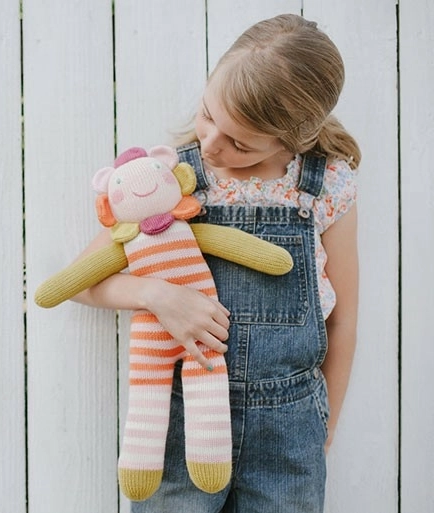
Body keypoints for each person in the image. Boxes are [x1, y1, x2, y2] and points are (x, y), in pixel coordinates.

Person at [70, 13, 360, 512]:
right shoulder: (172, 180)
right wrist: (157, 295)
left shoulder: (324, 187)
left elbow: (344, 320)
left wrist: (324, 429)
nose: (210, 144)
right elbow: (81, 282)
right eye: (208, 115)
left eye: (240, 142)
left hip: (289, 430)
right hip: (183, 416)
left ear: (291, 139)